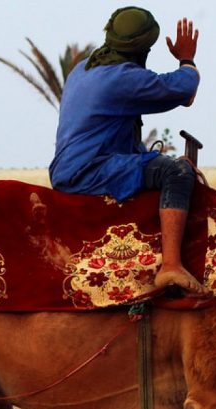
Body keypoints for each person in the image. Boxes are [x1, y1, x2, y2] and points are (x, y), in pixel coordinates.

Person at [49, 6, 202, 292]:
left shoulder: (82, 70)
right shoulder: (123, 78)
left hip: (73, 168)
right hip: (91, 170)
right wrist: (186, 59)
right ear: (142, 49)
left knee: (158, 163)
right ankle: (170, 265)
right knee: (178, 173)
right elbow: (184, 90)